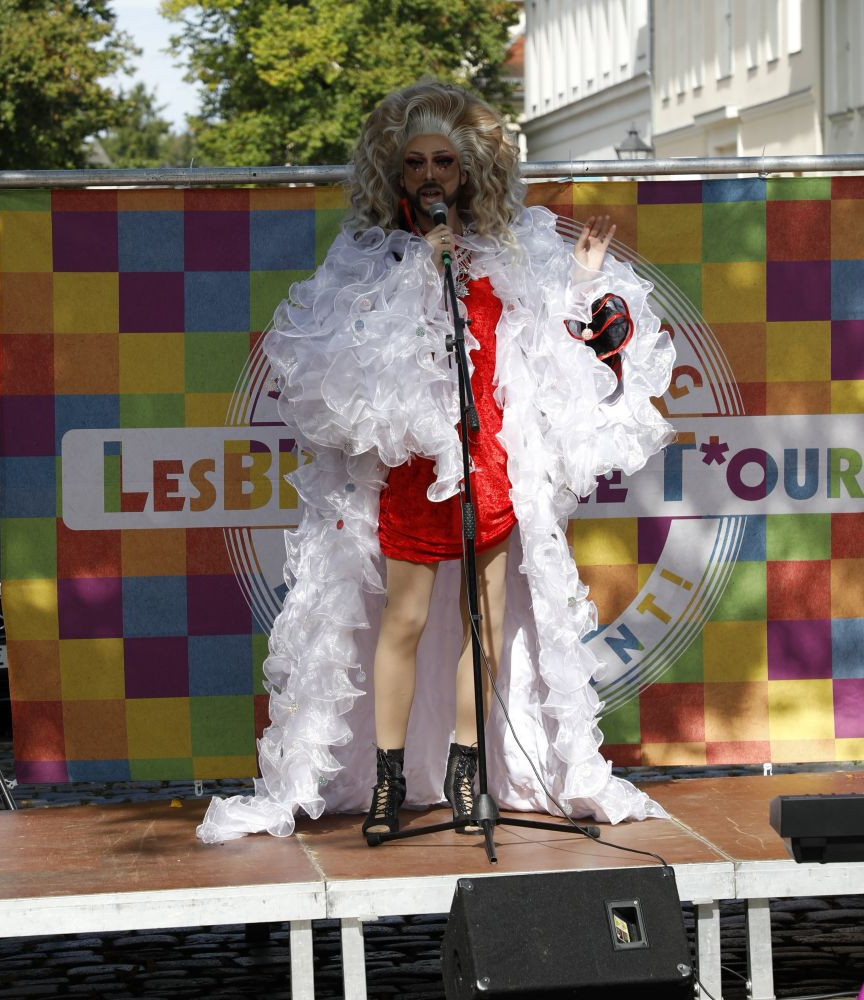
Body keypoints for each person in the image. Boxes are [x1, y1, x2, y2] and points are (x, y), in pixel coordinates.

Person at [197, 82, 675, 845]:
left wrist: (582, 282)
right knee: (406, 620)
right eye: (416, 161)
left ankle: (466, 769)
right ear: (395, 171)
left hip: (489, 463)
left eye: (444, 162)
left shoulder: (504, 249)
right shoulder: (369, 259)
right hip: (411, 469)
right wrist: (419, 267)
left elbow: (549, 342)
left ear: (466, 171)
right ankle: (387, 781)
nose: (429, 175)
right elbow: (334, 370)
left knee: (482, 626)